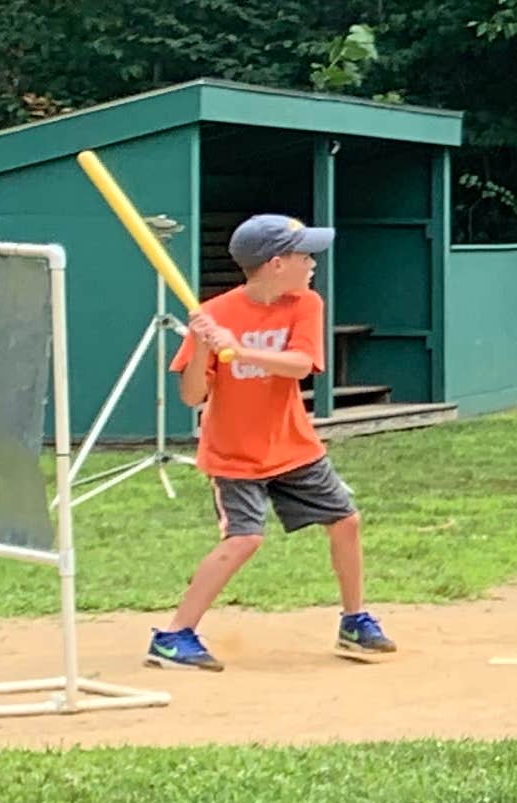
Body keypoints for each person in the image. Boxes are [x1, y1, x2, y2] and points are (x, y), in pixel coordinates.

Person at [146, 213, 396, 672]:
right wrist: (202, 344)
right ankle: (172, 636)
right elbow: (191, 396)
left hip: (292, 445)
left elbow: (300, 365)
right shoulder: (217, 313)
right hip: (233, 451)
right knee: (244, 538)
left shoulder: (305, 303)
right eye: (305, 256)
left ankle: (354, 620)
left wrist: (237, 349)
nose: (312, 264)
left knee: (345, 521)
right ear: (276, 263)